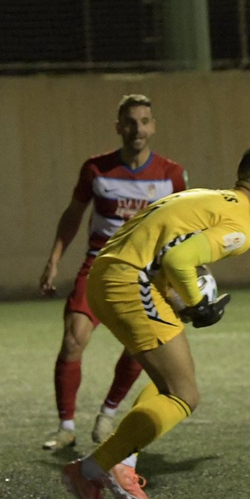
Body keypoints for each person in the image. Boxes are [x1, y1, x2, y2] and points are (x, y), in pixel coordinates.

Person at [60, 146, 250, 499]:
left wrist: (177, 299)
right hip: (128, 281)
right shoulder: (239, 225)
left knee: (170, 378)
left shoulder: (203, 197)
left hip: (110, 274)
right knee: (184, 395)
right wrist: (197, 302)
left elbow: (160, 249)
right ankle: (91, 470)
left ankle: (120, 461)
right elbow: (179, 260)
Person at [38, 94, 188, 453]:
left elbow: (183, 227)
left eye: (145, 121)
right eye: (130, 121)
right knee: (74, 339)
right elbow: (73, 214)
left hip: (145, 273)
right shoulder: (96, 169)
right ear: (119, 127)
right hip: (99, 266)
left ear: (153, 127)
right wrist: (54, 258)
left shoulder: (171, 174)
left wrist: (189, 273)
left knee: (139, 347)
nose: (138, 128)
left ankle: (107, 415)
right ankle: (66, 427)